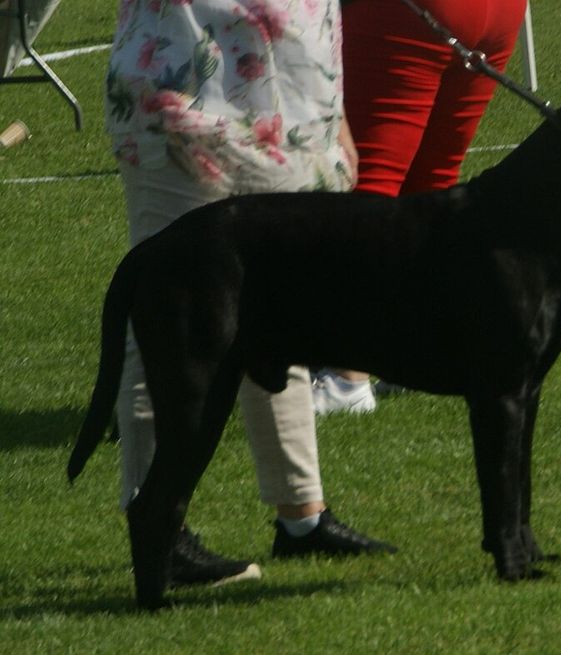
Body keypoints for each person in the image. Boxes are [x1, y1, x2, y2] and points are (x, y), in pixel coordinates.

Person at [104, 0, 395, 587]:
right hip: (179, 100)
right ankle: (159, 529)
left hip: (289, 108)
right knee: (170, 325)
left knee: (280, 311)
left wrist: (333, 114)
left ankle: (301, 517)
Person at [312, 0, 529, 415]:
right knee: (433, 185)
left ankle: (347, 376)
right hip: (501, 11)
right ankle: (420, 355)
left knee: (369, 191)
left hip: (409, 10)